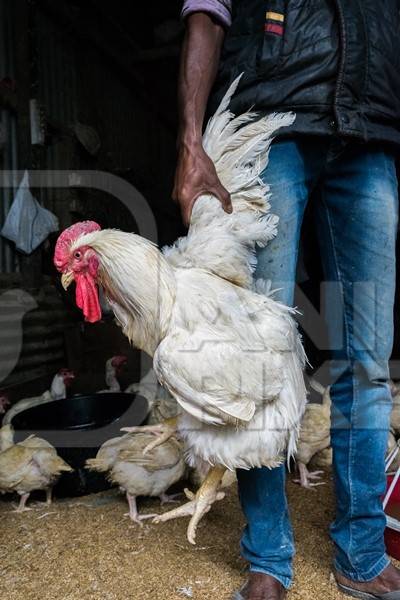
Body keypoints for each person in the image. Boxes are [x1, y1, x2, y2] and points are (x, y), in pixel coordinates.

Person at [174, 2, 400, 599]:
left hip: (371, 134)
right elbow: (207, 9)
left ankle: (363, 552)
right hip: (267, 125)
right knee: (258, 360)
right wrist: (192, 140)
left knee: (370, 361)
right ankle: (268, 560)